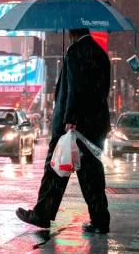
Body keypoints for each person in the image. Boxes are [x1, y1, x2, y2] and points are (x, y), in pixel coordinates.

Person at [16, 28, 111, 233]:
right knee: (91, 174)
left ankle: (42, 215)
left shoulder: (76, 51)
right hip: (96, 124)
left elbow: (75, 88)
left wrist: (70, 119)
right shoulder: (100, 53)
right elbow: (103, 90)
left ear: (72, 32)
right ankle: (100, 219)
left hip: (73, 126)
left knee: (55, 169)